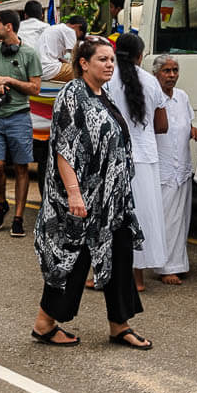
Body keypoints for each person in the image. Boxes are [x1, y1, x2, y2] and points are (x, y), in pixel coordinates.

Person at [30, 36, 151, 350]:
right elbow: (63, 148)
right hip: (80, 197)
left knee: (120, 252)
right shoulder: (72, 94)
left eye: (112, 60)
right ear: (84, 63)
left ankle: (119, 325)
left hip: (109, 198)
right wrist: (74, 194)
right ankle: (45, 323)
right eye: (102, 59)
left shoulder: (103, 94)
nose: (110, 65)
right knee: (74, 259)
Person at [106, 33, 169, 291]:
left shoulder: (107, 80)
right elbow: (162, 125)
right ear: (140, 56)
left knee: (111, 215)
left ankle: (106, 273)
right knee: (142, 215)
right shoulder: (151, 82)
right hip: (144, 157)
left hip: (114, 156)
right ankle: (138, 278)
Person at [0, 9, 43, 238]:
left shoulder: (29, 54)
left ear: (9, 27)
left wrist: (8, 80)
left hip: (19, 116)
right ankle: (1, 203)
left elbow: (35, 88)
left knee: (21, 167)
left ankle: (18, 217)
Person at [153, 55, 197, 284]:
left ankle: (178, 264)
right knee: (166, 217)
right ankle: (165, 268)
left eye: (175, 70)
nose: (172, 75)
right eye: (167, 71)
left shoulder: (182, 97)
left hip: (182, 164)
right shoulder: (152, 97)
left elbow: (186, 121)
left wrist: (194, 131)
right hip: (162, 166)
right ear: (156, 74)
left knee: (181, 217)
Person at [38, 16, 85, 81]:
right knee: (86, 70)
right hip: (50, 70)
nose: (77, 38)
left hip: (40, 70)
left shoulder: (54, 28)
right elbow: (76, 55)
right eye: (80, 35)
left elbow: (58, 58)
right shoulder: (70, 31)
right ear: (77, 26)